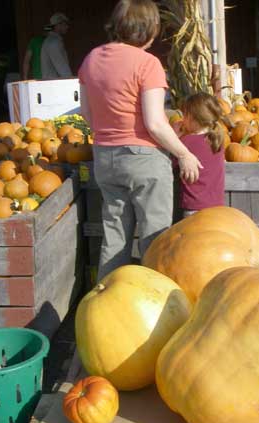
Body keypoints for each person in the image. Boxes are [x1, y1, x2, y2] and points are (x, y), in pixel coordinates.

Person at [78, 0, 202, 278]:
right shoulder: (148, 64)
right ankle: (154, 301)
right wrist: (184, 153)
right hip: (143, 159)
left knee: (115, 234)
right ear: (150, 29)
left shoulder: (92, 59)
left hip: (105, 157)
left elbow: (88, 115)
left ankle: (108, 298)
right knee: (154, 236)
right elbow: (155, 123)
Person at [176, 93, 225, 218]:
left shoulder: (186, 142)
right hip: (217, 206)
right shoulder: (217, 139)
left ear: (192, 117)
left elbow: (169, 162)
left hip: (194, 207)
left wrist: (175, 135)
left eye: (184, 115)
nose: (182, 119)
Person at [41, 12, 72, 79]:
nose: (67, 27)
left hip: (52, 84)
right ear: (58, 25)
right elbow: (62, 68)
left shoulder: (51, 40)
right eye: (65, 24)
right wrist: (70, 81)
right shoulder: (54, 42)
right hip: (54, 85)